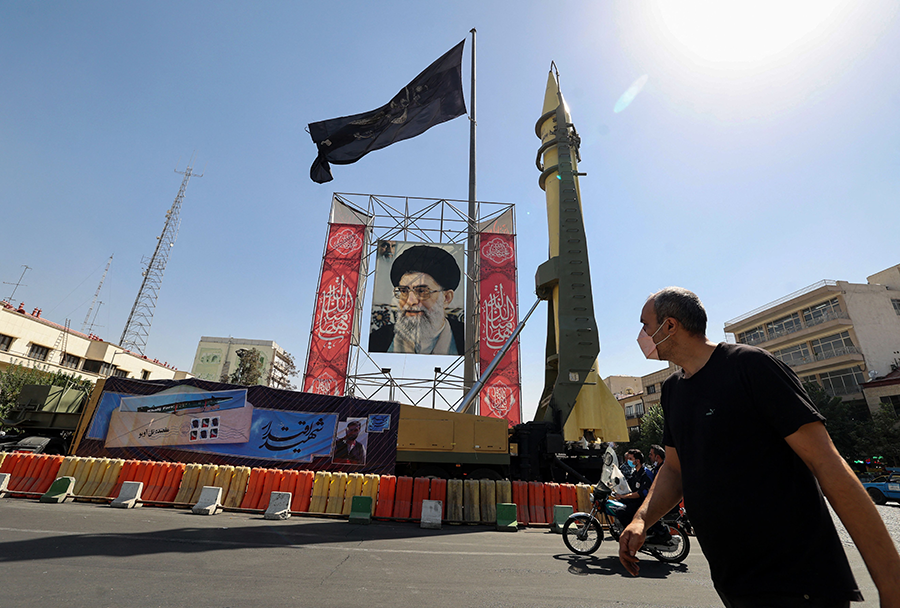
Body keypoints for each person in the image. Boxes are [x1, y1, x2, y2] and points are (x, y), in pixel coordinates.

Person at [619, 287, 900, 606]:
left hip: (796, 582)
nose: (642, 334)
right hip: (733, 582)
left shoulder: (750, 366)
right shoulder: (672, 391)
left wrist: (890, 582)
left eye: (645, 324)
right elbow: (674, 468)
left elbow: (828, 464)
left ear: (669, 325)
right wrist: (642, 519)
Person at [368, 244, 465, 355]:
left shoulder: (468, 340)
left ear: (446, 298)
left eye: (421, 291)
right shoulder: (377, 340)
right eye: (404, 291)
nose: (410, 301)